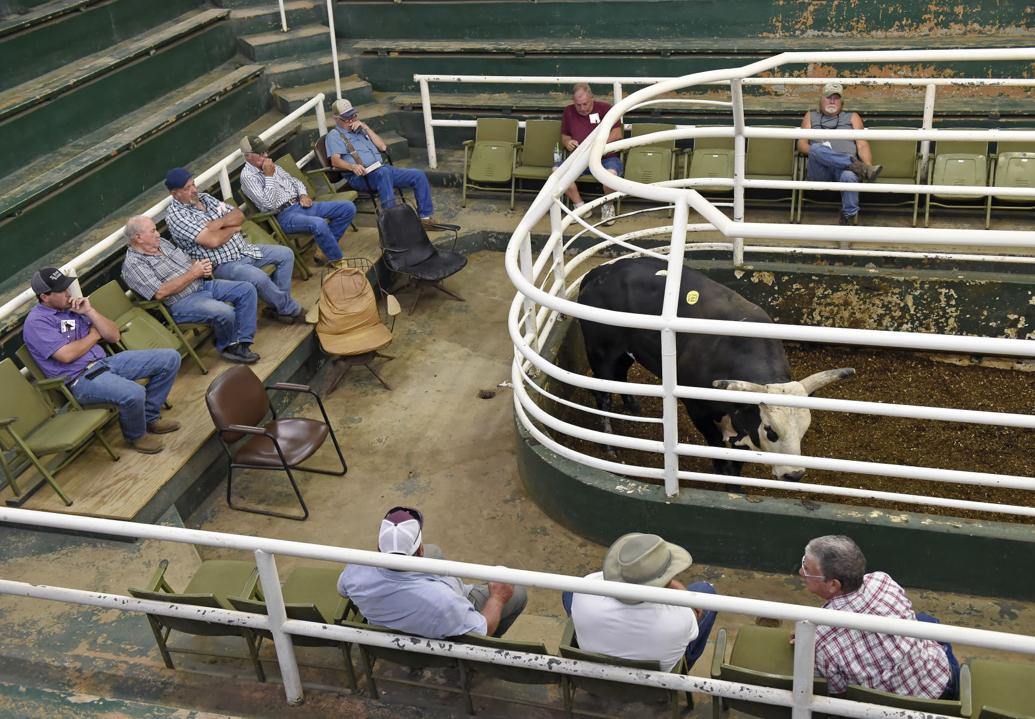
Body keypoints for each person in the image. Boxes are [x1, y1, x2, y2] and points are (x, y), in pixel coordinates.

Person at [22, 267, 181, 454]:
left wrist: (89, 311)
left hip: (107, 362)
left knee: (170, 358)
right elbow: (66, 355)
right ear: (45, 297)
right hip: (81, 379)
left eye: (67, 288)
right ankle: (136, 436)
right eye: (61, 290)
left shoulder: (74, 307)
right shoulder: (37, 323)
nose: (68, 293)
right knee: (134, 393)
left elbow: (113, 336)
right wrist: (93, 336)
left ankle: (150, 418)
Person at [798, 535, 959, 699]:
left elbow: (839, 694)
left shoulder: (820, 642)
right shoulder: (883, 581)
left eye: (807, 569)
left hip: (885, 710)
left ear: (833, 585)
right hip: (943, 682)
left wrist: (809, 636)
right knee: (925, 621)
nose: (801, 572)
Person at [338, 506, 527, 639]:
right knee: (517, 593)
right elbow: (482, 631)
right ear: (419, 551)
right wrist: (498, 598)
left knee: (434, 551)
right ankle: (488, 650)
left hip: (390, 626)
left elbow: (342, 590)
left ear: (379, 547)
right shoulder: (444, 601)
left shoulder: (355, 569)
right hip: (441, 621)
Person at [163, 167, 303, 324]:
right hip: (222, 265)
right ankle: (290, 309)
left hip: (244, 249)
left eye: (193, 184)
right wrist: (233, 228)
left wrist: (219, 223)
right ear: (174, 193)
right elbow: (213, 241)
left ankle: (277, 307)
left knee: (285, 254)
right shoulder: (176, 216)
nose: (194, 190)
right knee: (259, 277)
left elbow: (239, 215)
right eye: (187, 188)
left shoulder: (205, 198)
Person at [563, 533, 717, 671]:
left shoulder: (585, 589)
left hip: (597, 677)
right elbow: (694, 614)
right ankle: (682, 671)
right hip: (654, 689)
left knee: (568, 592)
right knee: (706, 591)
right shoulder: (678, 618)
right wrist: (680, 591)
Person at [121, 215, 260, 365]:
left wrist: (201, 266)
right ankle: (228, 346)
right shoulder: (133, 264)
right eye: (153, 231)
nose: (158, 234)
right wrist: (193, 273)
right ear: (139, 238)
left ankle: (242, 342)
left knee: (247, 289)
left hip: (201, 284)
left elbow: (187, 261)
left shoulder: (162, 243)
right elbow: (160, 292)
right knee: (225, 312)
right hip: (182, 302)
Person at [238, 135, 356, 264]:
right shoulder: (248, 177)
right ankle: (337, 261)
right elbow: (269, 205)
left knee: (347, 208)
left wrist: (303, 195)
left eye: (265, 151)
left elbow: (295, 182)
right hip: (284, 215)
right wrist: (269, 176)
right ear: (247, 156)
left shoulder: (271, 165)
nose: (265, 155)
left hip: (301, 204)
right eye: (260, 153)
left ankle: (324, 249)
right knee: (319, 223)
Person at [325, 98, 438, 226]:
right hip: (361, 176)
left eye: (353, 116)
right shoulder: (334, 135)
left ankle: (425, 218)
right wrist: (352, 166)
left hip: (381, 169)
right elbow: (335, 161)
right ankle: (393, 224)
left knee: (418, 175)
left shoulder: (360, 129)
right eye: (347, 118)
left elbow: (382, 147)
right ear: (336, 119)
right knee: (383, 173)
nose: (351, 120)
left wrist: (365, 127)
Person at [797, 82, 883, 226]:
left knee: (849, 176)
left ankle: (847, 219)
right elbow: (801, 144)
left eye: (836, 98)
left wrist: (868, 164)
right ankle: (856, 166)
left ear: (841, 102)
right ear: (821, 100)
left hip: (844, 171)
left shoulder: (852, 117)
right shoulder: (811, 115)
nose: (832, 101)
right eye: (828, 97)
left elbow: (862, 144)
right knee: (816, 148)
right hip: (820, 170)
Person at [557, 83, 624, 226]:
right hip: (579, 158)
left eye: (585, 104)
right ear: (573, 102)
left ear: (592, 98)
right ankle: (580, 208)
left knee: (610, 174)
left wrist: (596, 146)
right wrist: (568, 142)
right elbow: (565, 136)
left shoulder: (605, 108)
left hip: (606, 157)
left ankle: (608, 207)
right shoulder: (569, 111)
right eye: (578, 105)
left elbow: (617, 134)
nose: (582, 108)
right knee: (557, 172)